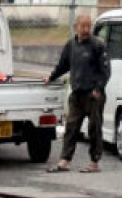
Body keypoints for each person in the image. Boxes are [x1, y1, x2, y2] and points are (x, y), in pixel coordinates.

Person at [44, 13, 110, 173]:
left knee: (94, 128)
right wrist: (51, 76)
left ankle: (94, 162)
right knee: (71, 128)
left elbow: (105, 71)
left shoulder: (98, 45)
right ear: (76, 27)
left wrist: (98, 89)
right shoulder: (71, 45)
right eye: (83, 26)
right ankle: (65, 160)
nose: (87, 29)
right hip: (77, 94)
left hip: (93, 95)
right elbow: (63, 65)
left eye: (89, 26)